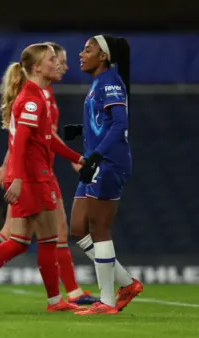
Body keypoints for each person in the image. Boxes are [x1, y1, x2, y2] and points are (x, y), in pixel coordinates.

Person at [0, 43, 84, 313]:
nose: (57, 64)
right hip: (33, 177)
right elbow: (21, 142)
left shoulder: (37, 95)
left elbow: (46, 139)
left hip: (35, 175)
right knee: (35, 239)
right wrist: (17, 178)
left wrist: (76, 158)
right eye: (52, 59)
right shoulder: (32, 99)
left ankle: (52, 300)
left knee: (29, 240)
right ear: (37, 67)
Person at [63, 35, 142, 315]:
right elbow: (104, 122)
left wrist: (96, 155)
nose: (81, 54)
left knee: (98, 228)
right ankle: (127, 283)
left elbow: (120, 123)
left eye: (89, 49)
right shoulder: (99, 82)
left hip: (108, 163)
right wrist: (81, 130)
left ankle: (107, 301)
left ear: (104, 56)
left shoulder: (109, 81)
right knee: (77, 228)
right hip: (99, 162)